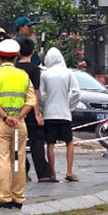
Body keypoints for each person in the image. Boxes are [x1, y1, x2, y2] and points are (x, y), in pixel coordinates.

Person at [0, 39, 36, 209]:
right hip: (18, 125)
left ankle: (5, 197)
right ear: (15, 57)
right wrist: (18, 117)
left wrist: (6, 117)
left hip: (1, 124)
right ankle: (18, 197)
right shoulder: (23, 75)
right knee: (17, 160)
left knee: (3, 160)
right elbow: (31, 100)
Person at [40, 47, 80, 183]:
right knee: (69, 142)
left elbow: (40, 95)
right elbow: (75, 92)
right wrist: (67, 105)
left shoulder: (45, 75)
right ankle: (69, 171)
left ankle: (52, 172)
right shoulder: (68, 73)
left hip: (49, 114)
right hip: (64, 114)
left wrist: (44, 107)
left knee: (50, 143)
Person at [16, 38, 52, 183]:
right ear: (32, 51)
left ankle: (20, 172)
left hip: (16, 109)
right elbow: (35, 92)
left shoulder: (15, 68)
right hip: (30, 109)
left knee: (17, 143)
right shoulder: (34, 70)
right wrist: (37, 113)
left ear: (18, 52)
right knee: (37, 142)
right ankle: (43, 174)